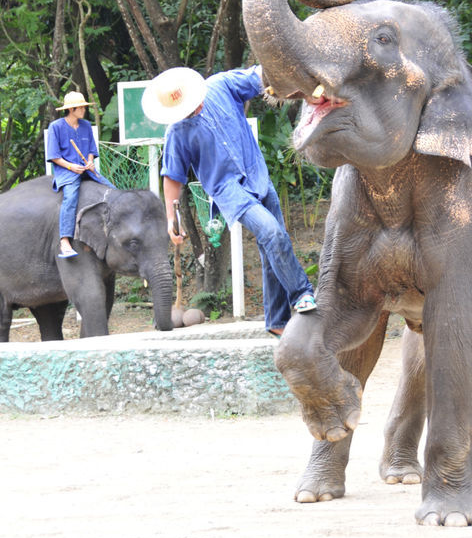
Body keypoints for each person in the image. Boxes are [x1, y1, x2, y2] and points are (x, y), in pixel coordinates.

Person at [141, 65, 316, 336]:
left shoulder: (221, 85)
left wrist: (289, 68)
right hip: (228, 191)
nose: (189, 111)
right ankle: (302, 294)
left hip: (257, 173)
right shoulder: (177, 133)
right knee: (272, 234)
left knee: (272, 247)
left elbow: (260, 76)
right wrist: (170, 219)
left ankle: (277, 322)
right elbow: (172, 179)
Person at [46, 91, 114, 258]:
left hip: (87, 171)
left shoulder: (85, 125)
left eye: (84, 106)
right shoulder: (56, 127)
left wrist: (90, 162)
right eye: (81, 107)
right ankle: (65, 241)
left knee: (113, 189)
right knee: (70, 197)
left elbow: (91, 150)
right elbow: (54, 156)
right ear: (71, 109)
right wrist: (71, 166)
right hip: (67, 173)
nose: (84, 109)